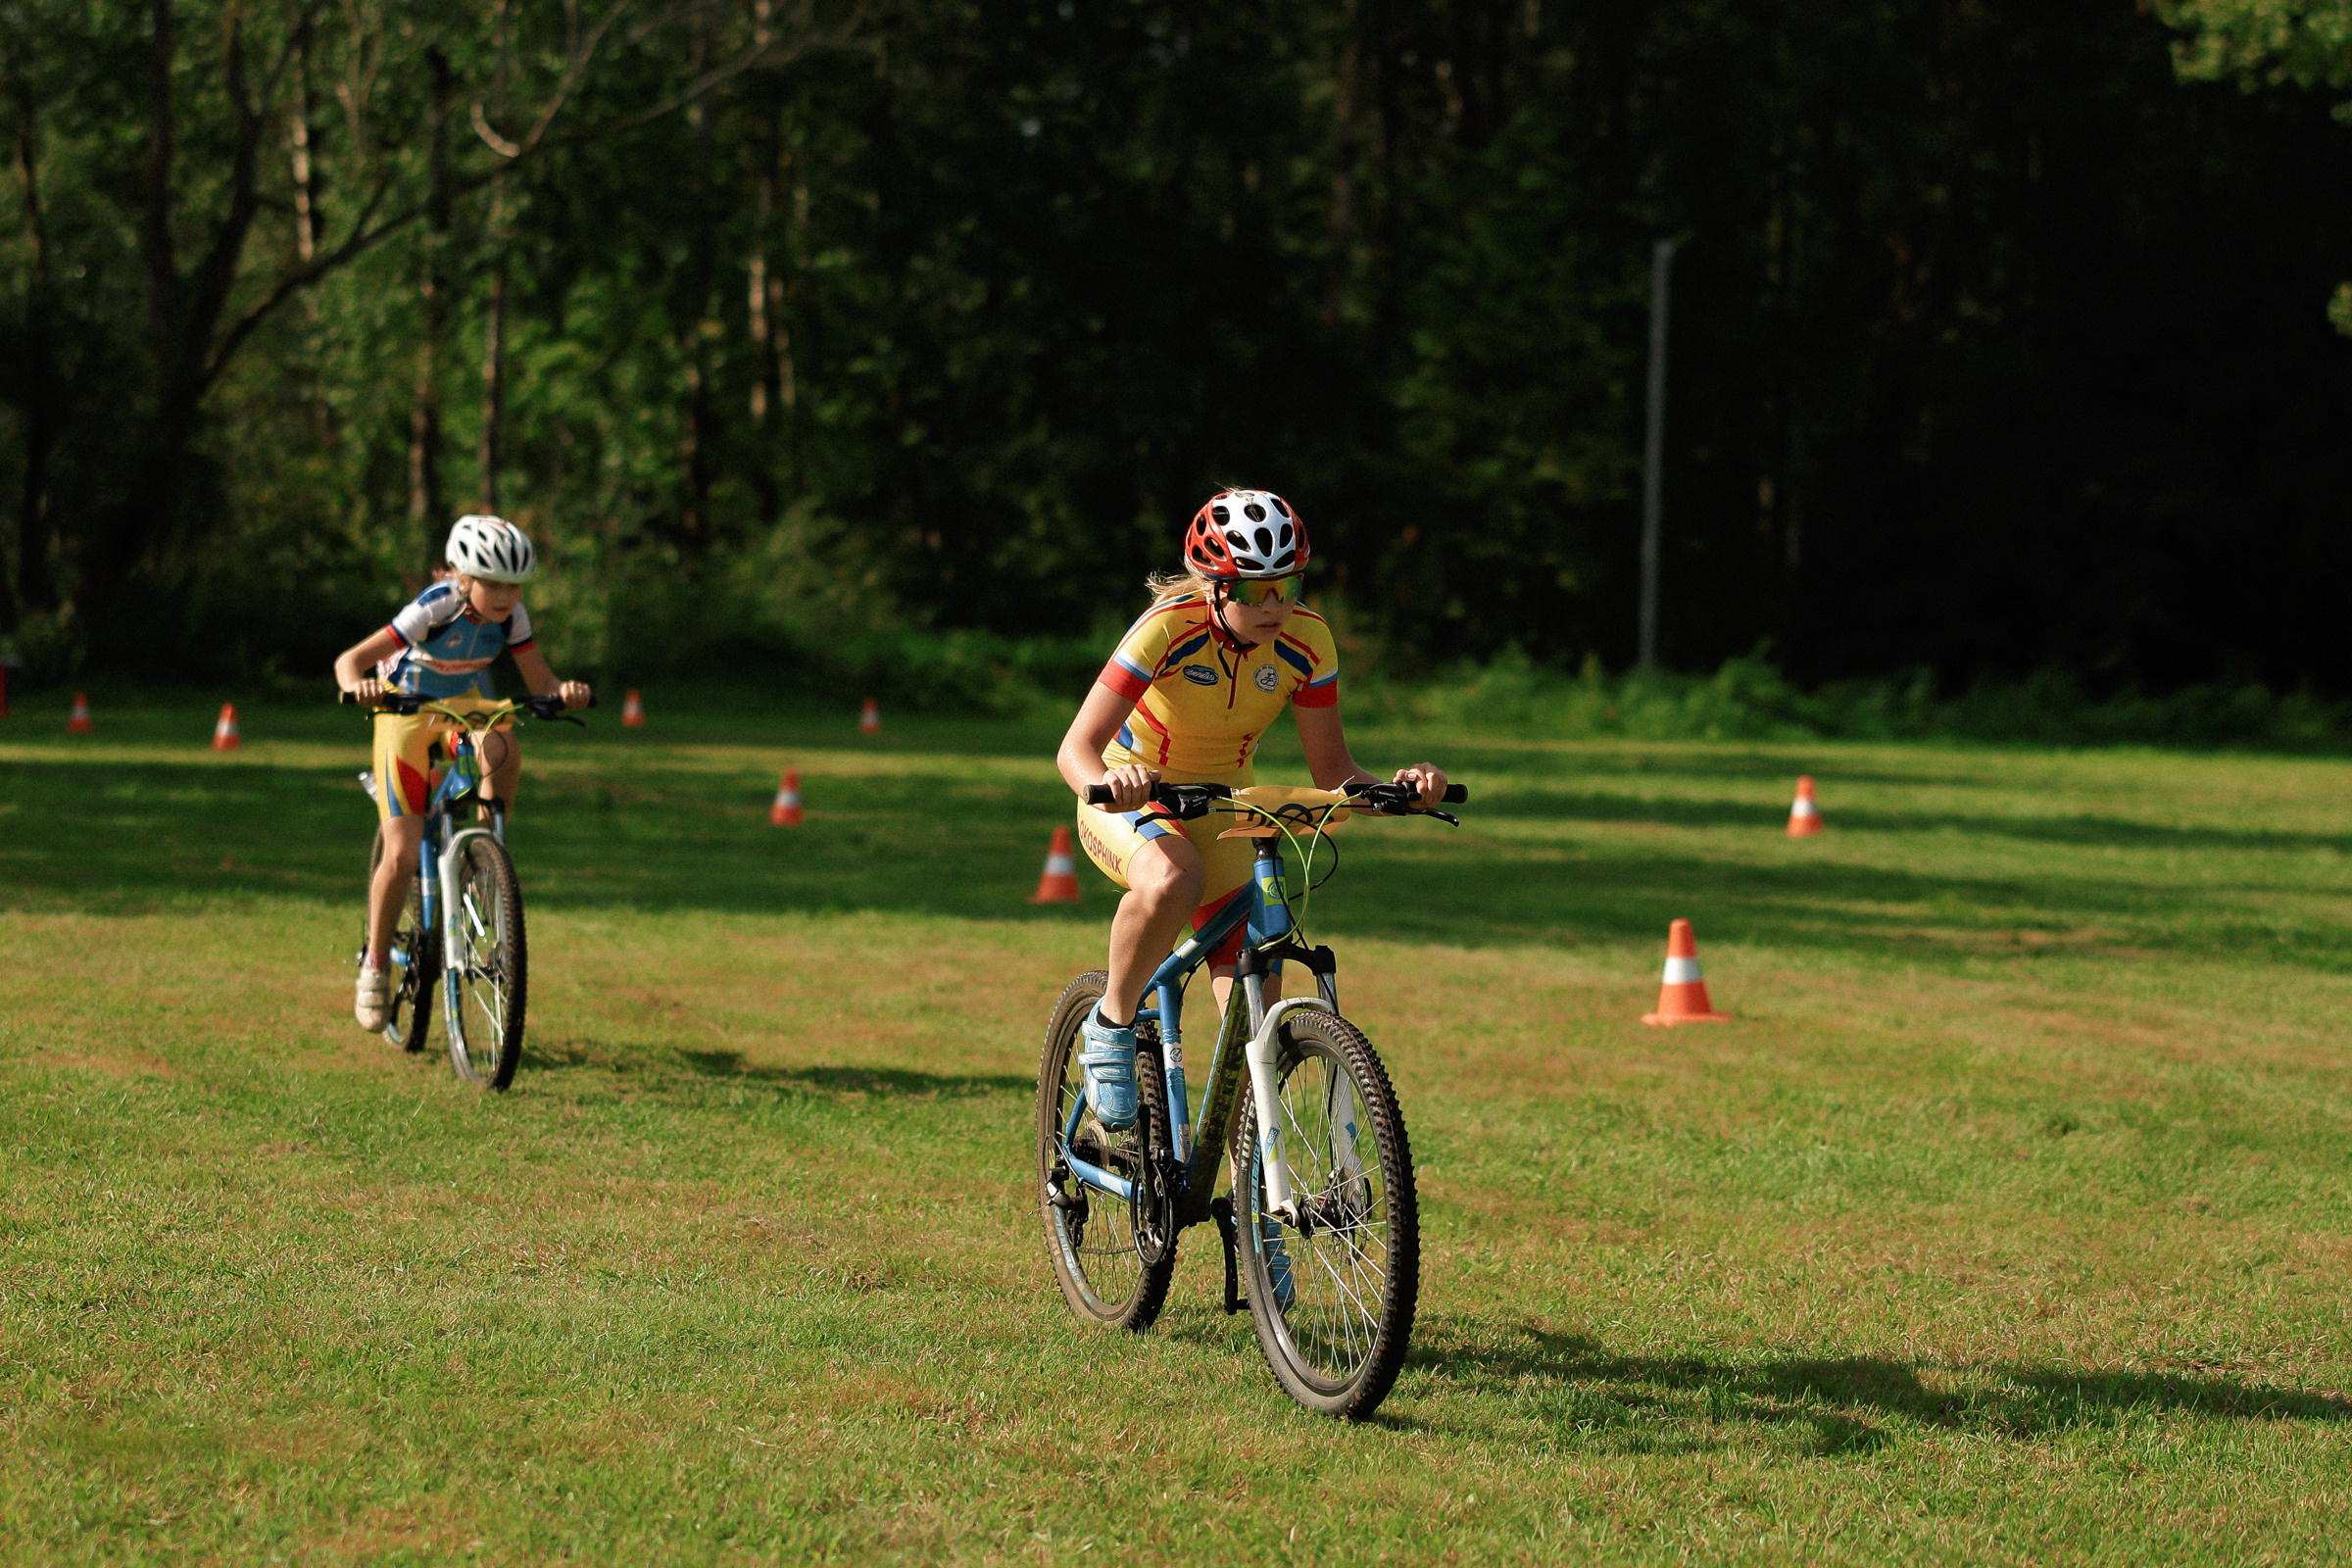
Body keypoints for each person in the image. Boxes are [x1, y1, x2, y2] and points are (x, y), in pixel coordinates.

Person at [1054, 489, 1446, 1127]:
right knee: (1172, 877)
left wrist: (1405, 792)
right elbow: (1076, 748)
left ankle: (1250, 1168)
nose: (1272, 606)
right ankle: (1112, 1025)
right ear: (1213, 586)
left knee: (1259, 991)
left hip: (1223, 805)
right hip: (1134, 788)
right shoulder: (1167, 627)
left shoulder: (1308, 641)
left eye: (1286, 587)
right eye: (1250, 590)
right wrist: (1107, 783)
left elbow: (1336, 775)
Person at [330, 515, 591, 1032]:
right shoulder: (434, 607)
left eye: (513, 585)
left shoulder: (513, 618)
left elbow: (541, 681)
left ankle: (486, 851)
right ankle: (376, 966)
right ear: (462, 576)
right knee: (402, 852)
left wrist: (564, 693)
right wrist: (357, 684)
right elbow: (351, 659)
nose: (503, 595)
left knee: (505, 745)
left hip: (462, 707)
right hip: (404, 713)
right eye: (491, 582)